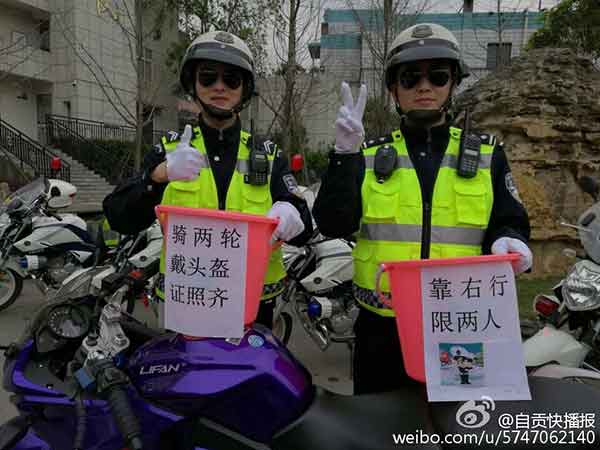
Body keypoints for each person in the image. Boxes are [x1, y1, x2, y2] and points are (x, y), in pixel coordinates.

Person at [313, 23, 532, 395]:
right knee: (381, 432)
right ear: (394, 89)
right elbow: (334, 223)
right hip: (382, 331)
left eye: (437, 76)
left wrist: (509, 239)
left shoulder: (486, 155)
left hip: (460, 327)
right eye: (410, 78)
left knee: (456, 424)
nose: (424, 86)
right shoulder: (366, 157)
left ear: (453, 84)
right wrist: (343, 156)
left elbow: (509, 221)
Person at [103, 30, 313, 329]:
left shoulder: (268, 154)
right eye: (208, 77)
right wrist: (157, 177)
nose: (219, 87)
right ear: (193, 84)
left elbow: (305, 226)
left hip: (254, 310)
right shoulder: (169, 150)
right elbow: (118, 216)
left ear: (244, 89)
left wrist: (292, 213)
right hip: (187, 307)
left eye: (231, 79)